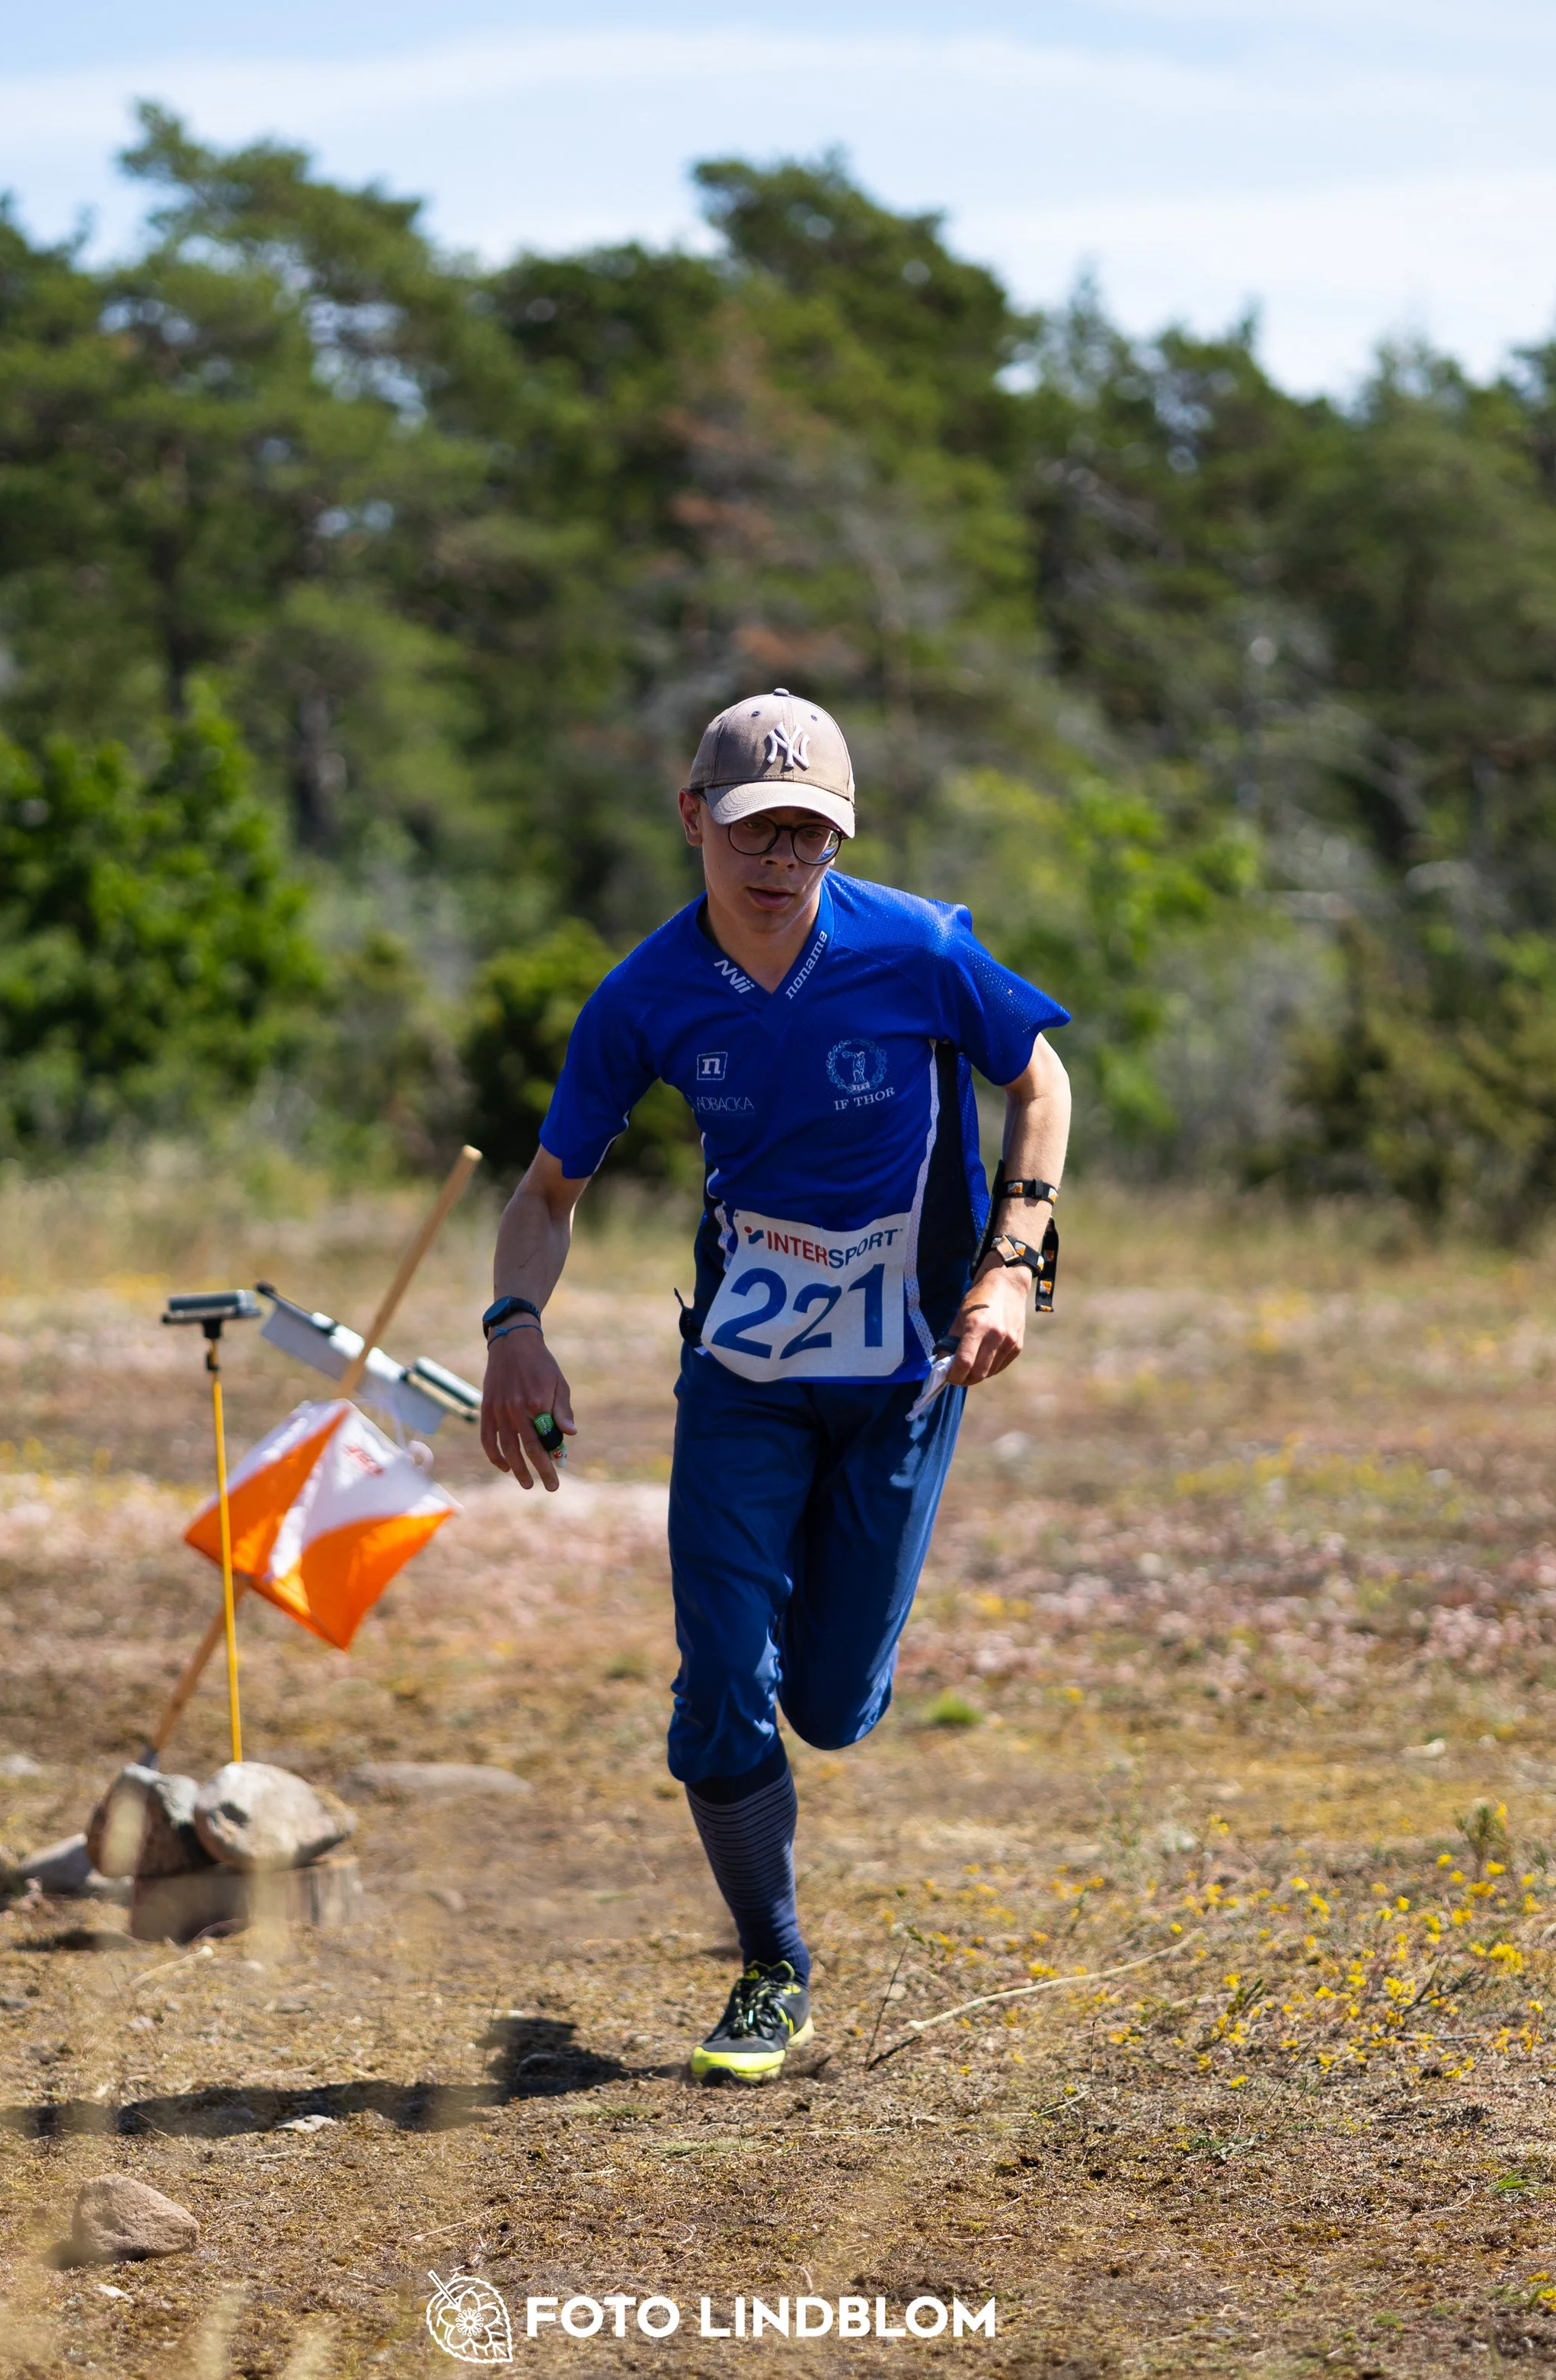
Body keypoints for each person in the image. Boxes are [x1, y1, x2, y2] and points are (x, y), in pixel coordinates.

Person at [479, 688, 1071, 2083]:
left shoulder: (920, 949)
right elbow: (549, 1192)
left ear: (840, 840)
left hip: (908, 1369)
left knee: (829, 1708)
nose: (778, 862)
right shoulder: (646, 995)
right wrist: (514, 1321)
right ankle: (773, 1966)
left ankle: (806, 1601)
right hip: (741, 1374)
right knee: (724, 1691)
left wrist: (1010, 1266)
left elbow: (1041, 1083)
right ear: (695, 818)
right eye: (754, 829)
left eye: (810, 835)